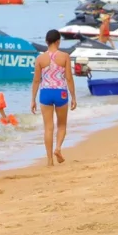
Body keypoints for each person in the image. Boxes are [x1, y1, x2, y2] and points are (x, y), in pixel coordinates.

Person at [31, 29, 76, 166]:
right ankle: (58, 148)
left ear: (46, 42)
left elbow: (36, 81)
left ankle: (49, 160)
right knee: (61, 125)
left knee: (48, 127)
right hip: (60, 92)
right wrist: (73, 96)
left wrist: (33, 99)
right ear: (58, 42)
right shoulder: (64, 56)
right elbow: (68, 78)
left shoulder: (40, 58)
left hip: (45, 92)